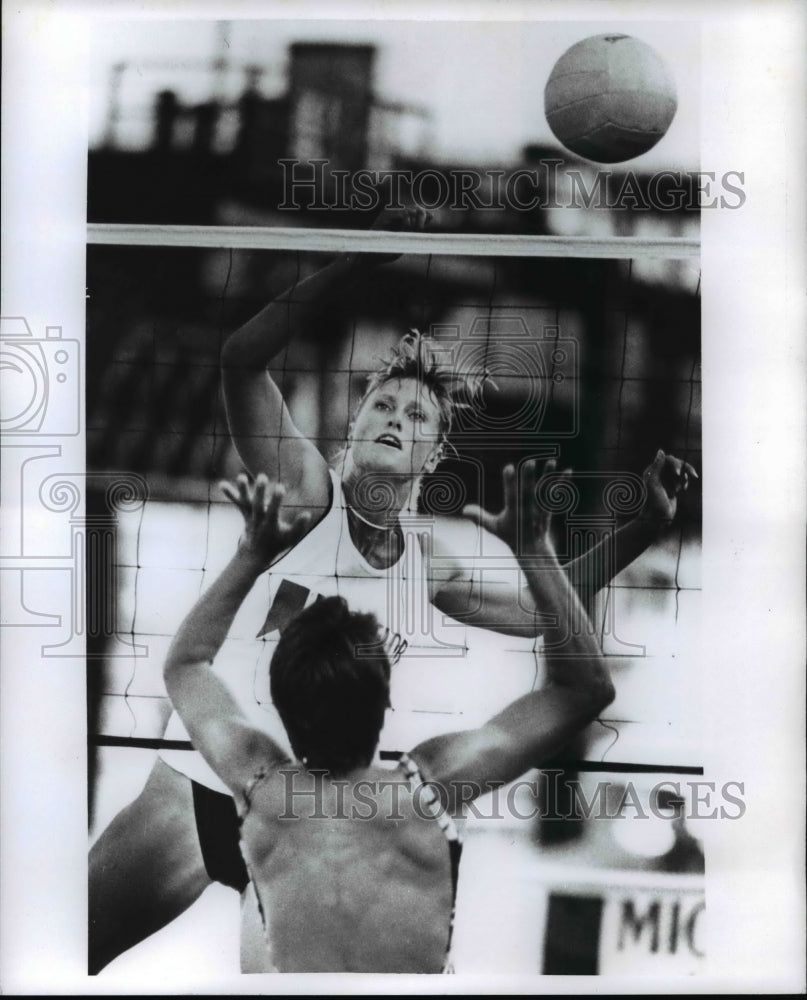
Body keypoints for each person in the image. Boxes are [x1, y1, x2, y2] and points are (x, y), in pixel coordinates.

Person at [89, 208, 695, 973]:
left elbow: (540, 613)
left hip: (317, 825)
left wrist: (640, 531)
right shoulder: (309, 496)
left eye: (414, 414)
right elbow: (241, 361)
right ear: (353, 427)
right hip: (202, 787)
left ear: (430, 455)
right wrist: (351, 267)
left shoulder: (427, 559)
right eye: (381, 404)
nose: (393, 416)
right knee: (59, 948)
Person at [162, 465, 616, 973]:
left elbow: (186, 663)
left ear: (281, 708)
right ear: (384, 703)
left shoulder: (257, 778)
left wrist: (252, 554)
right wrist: (533, 548)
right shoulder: (431, 785)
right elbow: (587, 689)